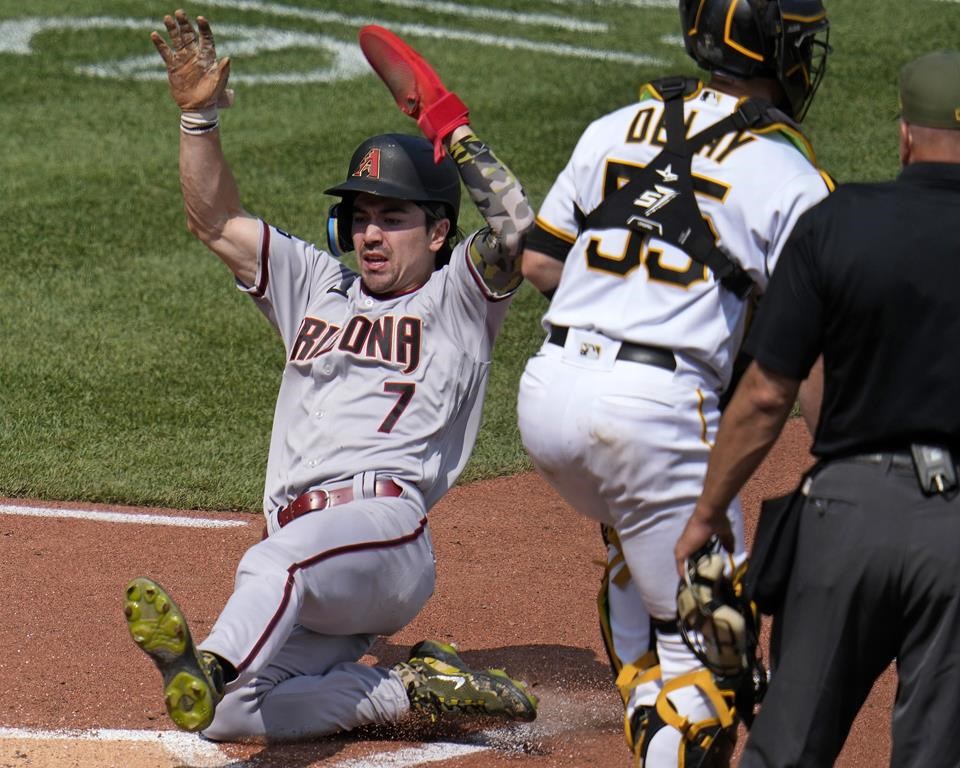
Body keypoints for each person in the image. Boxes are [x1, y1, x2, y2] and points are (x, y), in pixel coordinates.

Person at [123, 10, 538, 740]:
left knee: (271, 565)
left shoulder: (457, 299)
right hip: (318, 557)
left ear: (439, 231)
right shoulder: (317, 285)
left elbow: (516, 233)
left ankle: (208, 662)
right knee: (228, 719)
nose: (370, 233)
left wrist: (454, 129)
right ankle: (408, 690)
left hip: (383, 535)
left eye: (393, 216)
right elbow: (215, 221)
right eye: (359, 215)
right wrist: (198, 120)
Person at [516, 1, 832, 764]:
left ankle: (644, 650)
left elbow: (539, 263)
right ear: (767, 48)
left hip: (547, 400)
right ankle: (668, 713)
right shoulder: (792, 174)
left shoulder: (615, 126)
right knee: (716, 676)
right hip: (653, 420)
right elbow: (810, 349)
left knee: (653, 567)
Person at [675, 49, 960, 767]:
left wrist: (708, 514)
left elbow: (769, 392)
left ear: (904, 135)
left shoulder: (838, 221)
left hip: (847, 516)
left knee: (786, 751)